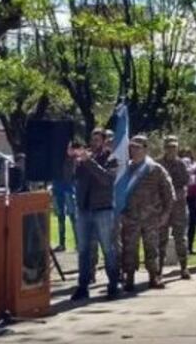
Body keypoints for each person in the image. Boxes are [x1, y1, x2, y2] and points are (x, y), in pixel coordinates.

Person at [119, 135, 176, 291]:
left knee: (152, 249)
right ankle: (129, 277)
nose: (134, 150)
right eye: (132, 147)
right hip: (130, 217)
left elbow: (169, 194)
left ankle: (154, 277)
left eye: (138, 147)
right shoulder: (125, 169)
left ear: (145, 149)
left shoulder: (155, 169)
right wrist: (120, 214)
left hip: (151, 217)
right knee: (129, 249)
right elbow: (117, 194)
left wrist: (165, 214)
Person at [71, 128, 120, 301]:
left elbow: (107, 180)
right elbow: (73, 178)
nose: (94, 143)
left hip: (103, 209)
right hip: (84, 209)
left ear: (105, 141)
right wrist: (72, 160)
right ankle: (82, 286)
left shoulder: (112, 158)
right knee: (84, 250)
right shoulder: (84, 159)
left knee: (108, 248)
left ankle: (113, 283)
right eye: (92, 139)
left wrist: (89, 161)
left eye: (98, 140)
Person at [159, 136, 192, 279]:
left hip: (179, 205)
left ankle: (184, 268)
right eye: (169, 147)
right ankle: (158, 268)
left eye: (174, 147)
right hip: (162, 206)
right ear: (164, 148)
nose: (171, 150)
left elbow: (185, 181)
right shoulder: (158, 164)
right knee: (161, 239)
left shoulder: (181, 164)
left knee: (181, 238)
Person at [51, 159, 77, 252]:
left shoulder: (69, 157)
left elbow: (73, 170)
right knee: (60, 217)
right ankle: (62, 244)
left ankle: (77, 243)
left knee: (73, 216)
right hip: (58, 189)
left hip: (68, 188)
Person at [183, 149, 196, 255]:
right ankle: (183, 247)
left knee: (192, 223)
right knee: (184, 224)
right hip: (184, 198)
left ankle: (189, 247)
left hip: (194, 198)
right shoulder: (181, 166)